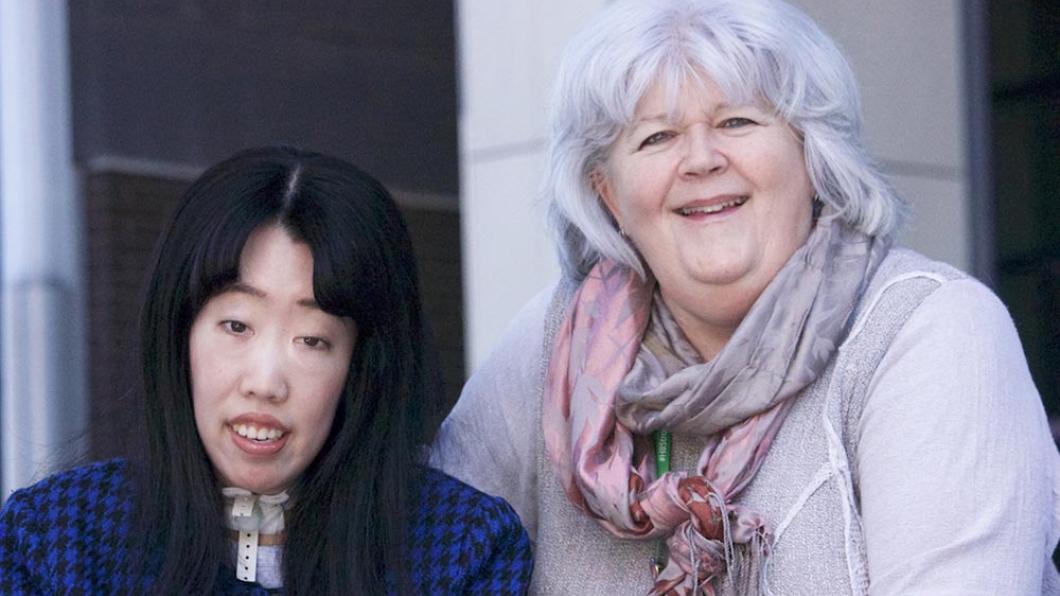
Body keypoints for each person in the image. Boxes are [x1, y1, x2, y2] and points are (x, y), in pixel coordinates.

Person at [431, 0, 1060, 593]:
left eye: (737, 121)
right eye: (657, 138)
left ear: (814, 157)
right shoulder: (555, 346)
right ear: (608, 196)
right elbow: (421, 551)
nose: (701, 159)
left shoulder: (928, 332)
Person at [0, 146, 533, 594]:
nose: (265, 382)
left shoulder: (461, 549)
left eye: (312, 340)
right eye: (236, 326)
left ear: (363, 366)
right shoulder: (58, 538)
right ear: (179, 333)